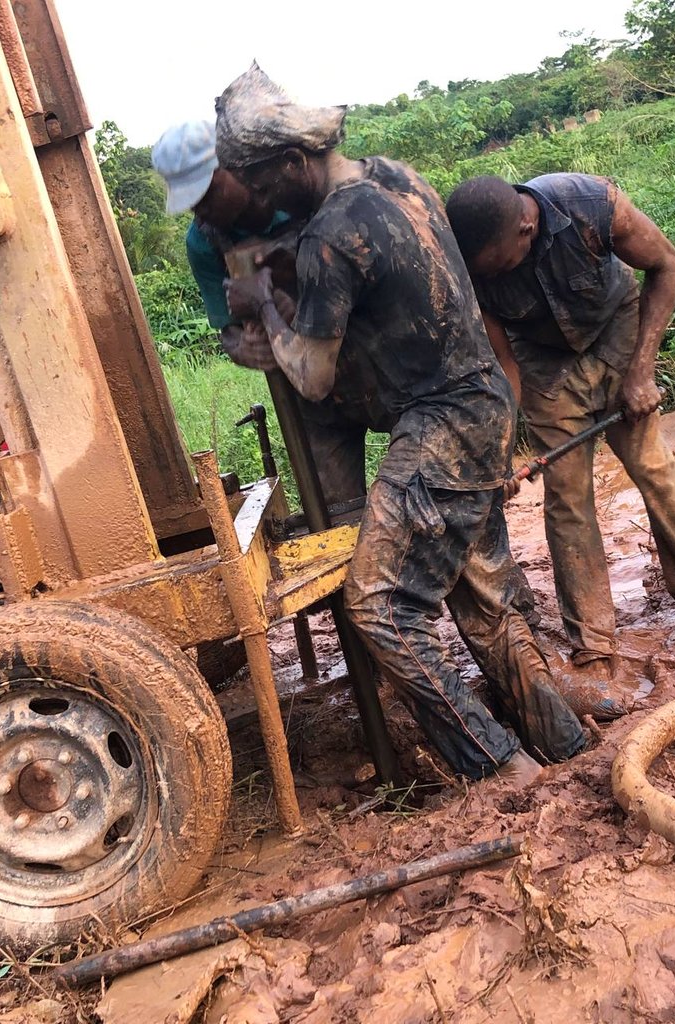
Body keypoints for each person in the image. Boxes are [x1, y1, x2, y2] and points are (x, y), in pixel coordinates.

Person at [214, 63, 587, 784]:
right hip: (482, 403)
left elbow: (313, 375)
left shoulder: (329, 237)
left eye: (261, 186)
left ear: (293, 162)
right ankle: (564, 748)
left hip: (443, 421)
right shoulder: (399, 176)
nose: (258, 202)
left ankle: (500, 766)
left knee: (380, 603)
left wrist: (262, 305)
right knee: (486, 600)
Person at [445, 173, 675, 675]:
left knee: (652, 465)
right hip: (545, 363)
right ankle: (594, 642)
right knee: (567, 497)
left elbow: (666, 264)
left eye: (497, 267)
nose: (487, 276)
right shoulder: (475, 267)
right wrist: (503, 449)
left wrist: (641, 370)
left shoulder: (591, 204)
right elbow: (504, 363)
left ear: (525, 230)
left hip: (618, 333)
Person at [151, 119, 370, 506]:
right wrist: (244, 347)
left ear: (234, 166)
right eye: (191, 204)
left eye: (209, 192)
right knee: (338, 510)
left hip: (375, 360)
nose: (202, 211)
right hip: (309, 392)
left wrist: (298, 297)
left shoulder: (299, 191)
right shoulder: (204, 242)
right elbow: (228, 329)